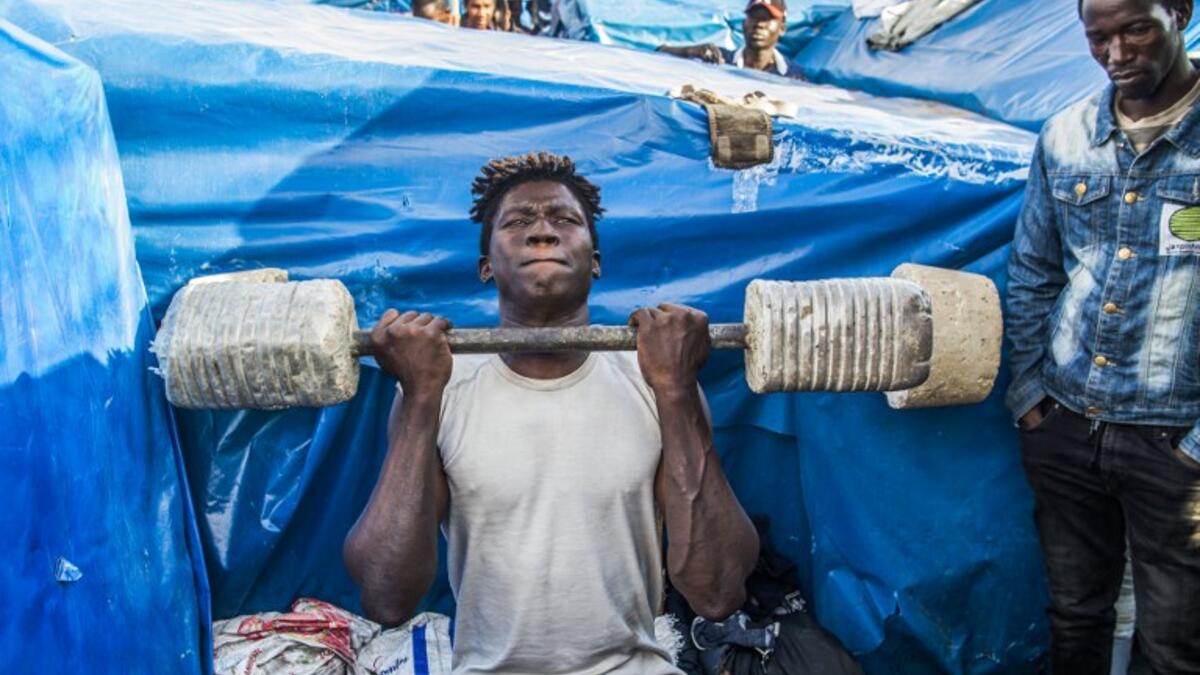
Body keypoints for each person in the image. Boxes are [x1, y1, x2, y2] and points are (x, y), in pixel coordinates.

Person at [344, 152, 759, 674]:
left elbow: (718, 591)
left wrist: (677, 390)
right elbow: (386, 597)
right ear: (486, 266)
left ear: (596, 259)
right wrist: (421, 397)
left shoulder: (653, 378)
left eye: (565, 220)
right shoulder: (440, 387)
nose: (543, 233)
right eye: (518, 222)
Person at [1005, 0, 1200, 672]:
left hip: (1176, 443)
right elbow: (1031, 270)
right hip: (1066, 426)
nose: (1117, 54)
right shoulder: (1065, 136)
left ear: (1181, 12)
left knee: (1176, 641)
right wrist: (1030, 393)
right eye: (1098, 38)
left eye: (1136, 30)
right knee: (1075, 614)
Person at [657, 0, 800, 80]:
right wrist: (690, 51)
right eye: (754, 17)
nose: (759, 24)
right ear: (744, 24)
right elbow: (660, 53)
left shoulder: (792, 75)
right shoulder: (718, 59)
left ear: (782, 28)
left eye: (766, 19)